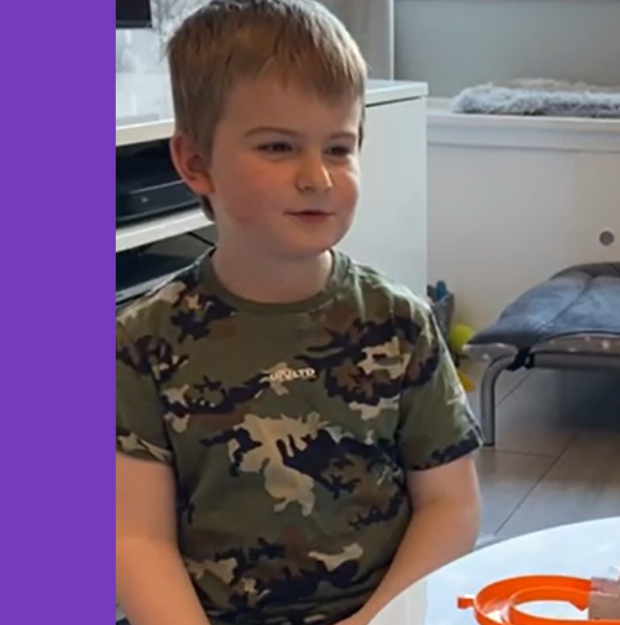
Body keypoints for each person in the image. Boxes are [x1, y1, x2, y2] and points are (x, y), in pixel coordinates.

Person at [114, 2, 483, 625]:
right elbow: (137, 540)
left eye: (339, 148)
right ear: (195, 163)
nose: (317, 177)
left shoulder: (400, 323)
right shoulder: (140, 341)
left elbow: (450, 506)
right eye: (279, 146)